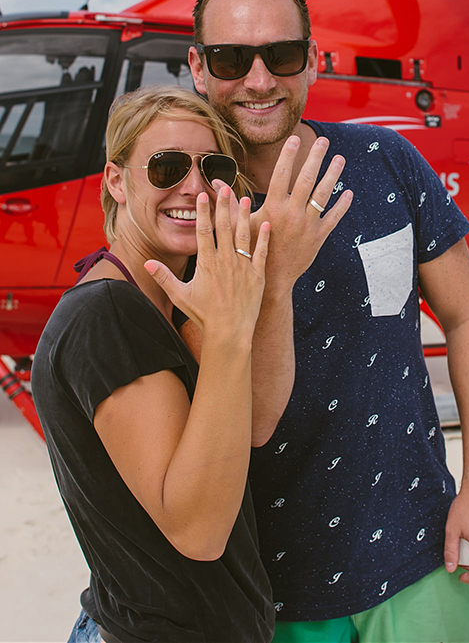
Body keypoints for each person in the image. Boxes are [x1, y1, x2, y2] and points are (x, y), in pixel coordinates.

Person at [188, 0, 469, 643]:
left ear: (312, 61)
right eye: (230, 58)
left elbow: (467, 315)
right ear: (196, 66)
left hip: (421, 549)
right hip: (272, 585)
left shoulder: (386, 160)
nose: (259, 79)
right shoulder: (191, 211)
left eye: (282, 54)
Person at [33, 87, 345, 643]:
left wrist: (275, 283)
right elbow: (198, 531)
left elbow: (254, 422)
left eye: (214, 168)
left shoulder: (165, 299)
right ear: (115, 181)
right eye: (167, 166)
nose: (195, 186)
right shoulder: (109, 314)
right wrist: (228, 332)